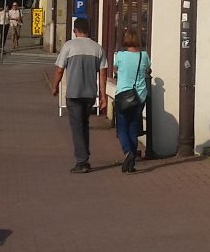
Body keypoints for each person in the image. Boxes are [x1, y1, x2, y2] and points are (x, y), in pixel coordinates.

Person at [52, 18, 105, 172]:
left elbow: (59, 70)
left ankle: (82, 161)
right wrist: (103, 96)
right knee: (84, 124)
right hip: (90, 94)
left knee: (77, 126)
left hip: (74, 93)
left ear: (75, 31)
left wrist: (55, 86)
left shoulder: (69, 46)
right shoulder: (97, 48)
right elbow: (102, 74)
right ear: (88, 30)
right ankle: (84, 154)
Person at [110, 32, 150, 173]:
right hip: (139, 96)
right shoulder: (143, 55)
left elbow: (115, 69)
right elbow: (148, 68)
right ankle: (131, 164)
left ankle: (128, 152)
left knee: (122, 128)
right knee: (133, 128)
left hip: (123, 94)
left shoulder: (120, 55)